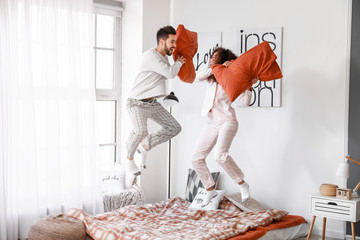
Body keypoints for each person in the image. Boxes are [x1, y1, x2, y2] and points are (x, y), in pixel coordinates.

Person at [192, 47, 258, 205]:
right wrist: (217, 68)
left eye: (214, 57)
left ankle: (242, 184)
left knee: (220, 155)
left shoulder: (233, 77)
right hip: (211, 123)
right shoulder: (211, 76)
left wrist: (249, 86)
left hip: (228, 121)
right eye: (210, 56)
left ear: (223, 58)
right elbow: (197, 77)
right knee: (196, 158)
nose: (210, 59)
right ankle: (210, 189)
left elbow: (246, 101)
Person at [126, 25, 186, 175]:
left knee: (174, 127)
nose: (174, 45)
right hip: (136, 103)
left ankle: (145, 145)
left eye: (175, 42)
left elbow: (170, 72)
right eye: (172, 41)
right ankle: (129, 158)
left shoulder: (164, 58)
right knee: (140, 131)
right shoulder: (150, 56)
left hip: (152, 104)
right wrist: (179, 62)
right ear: (161, 41)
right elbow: (170, 73)